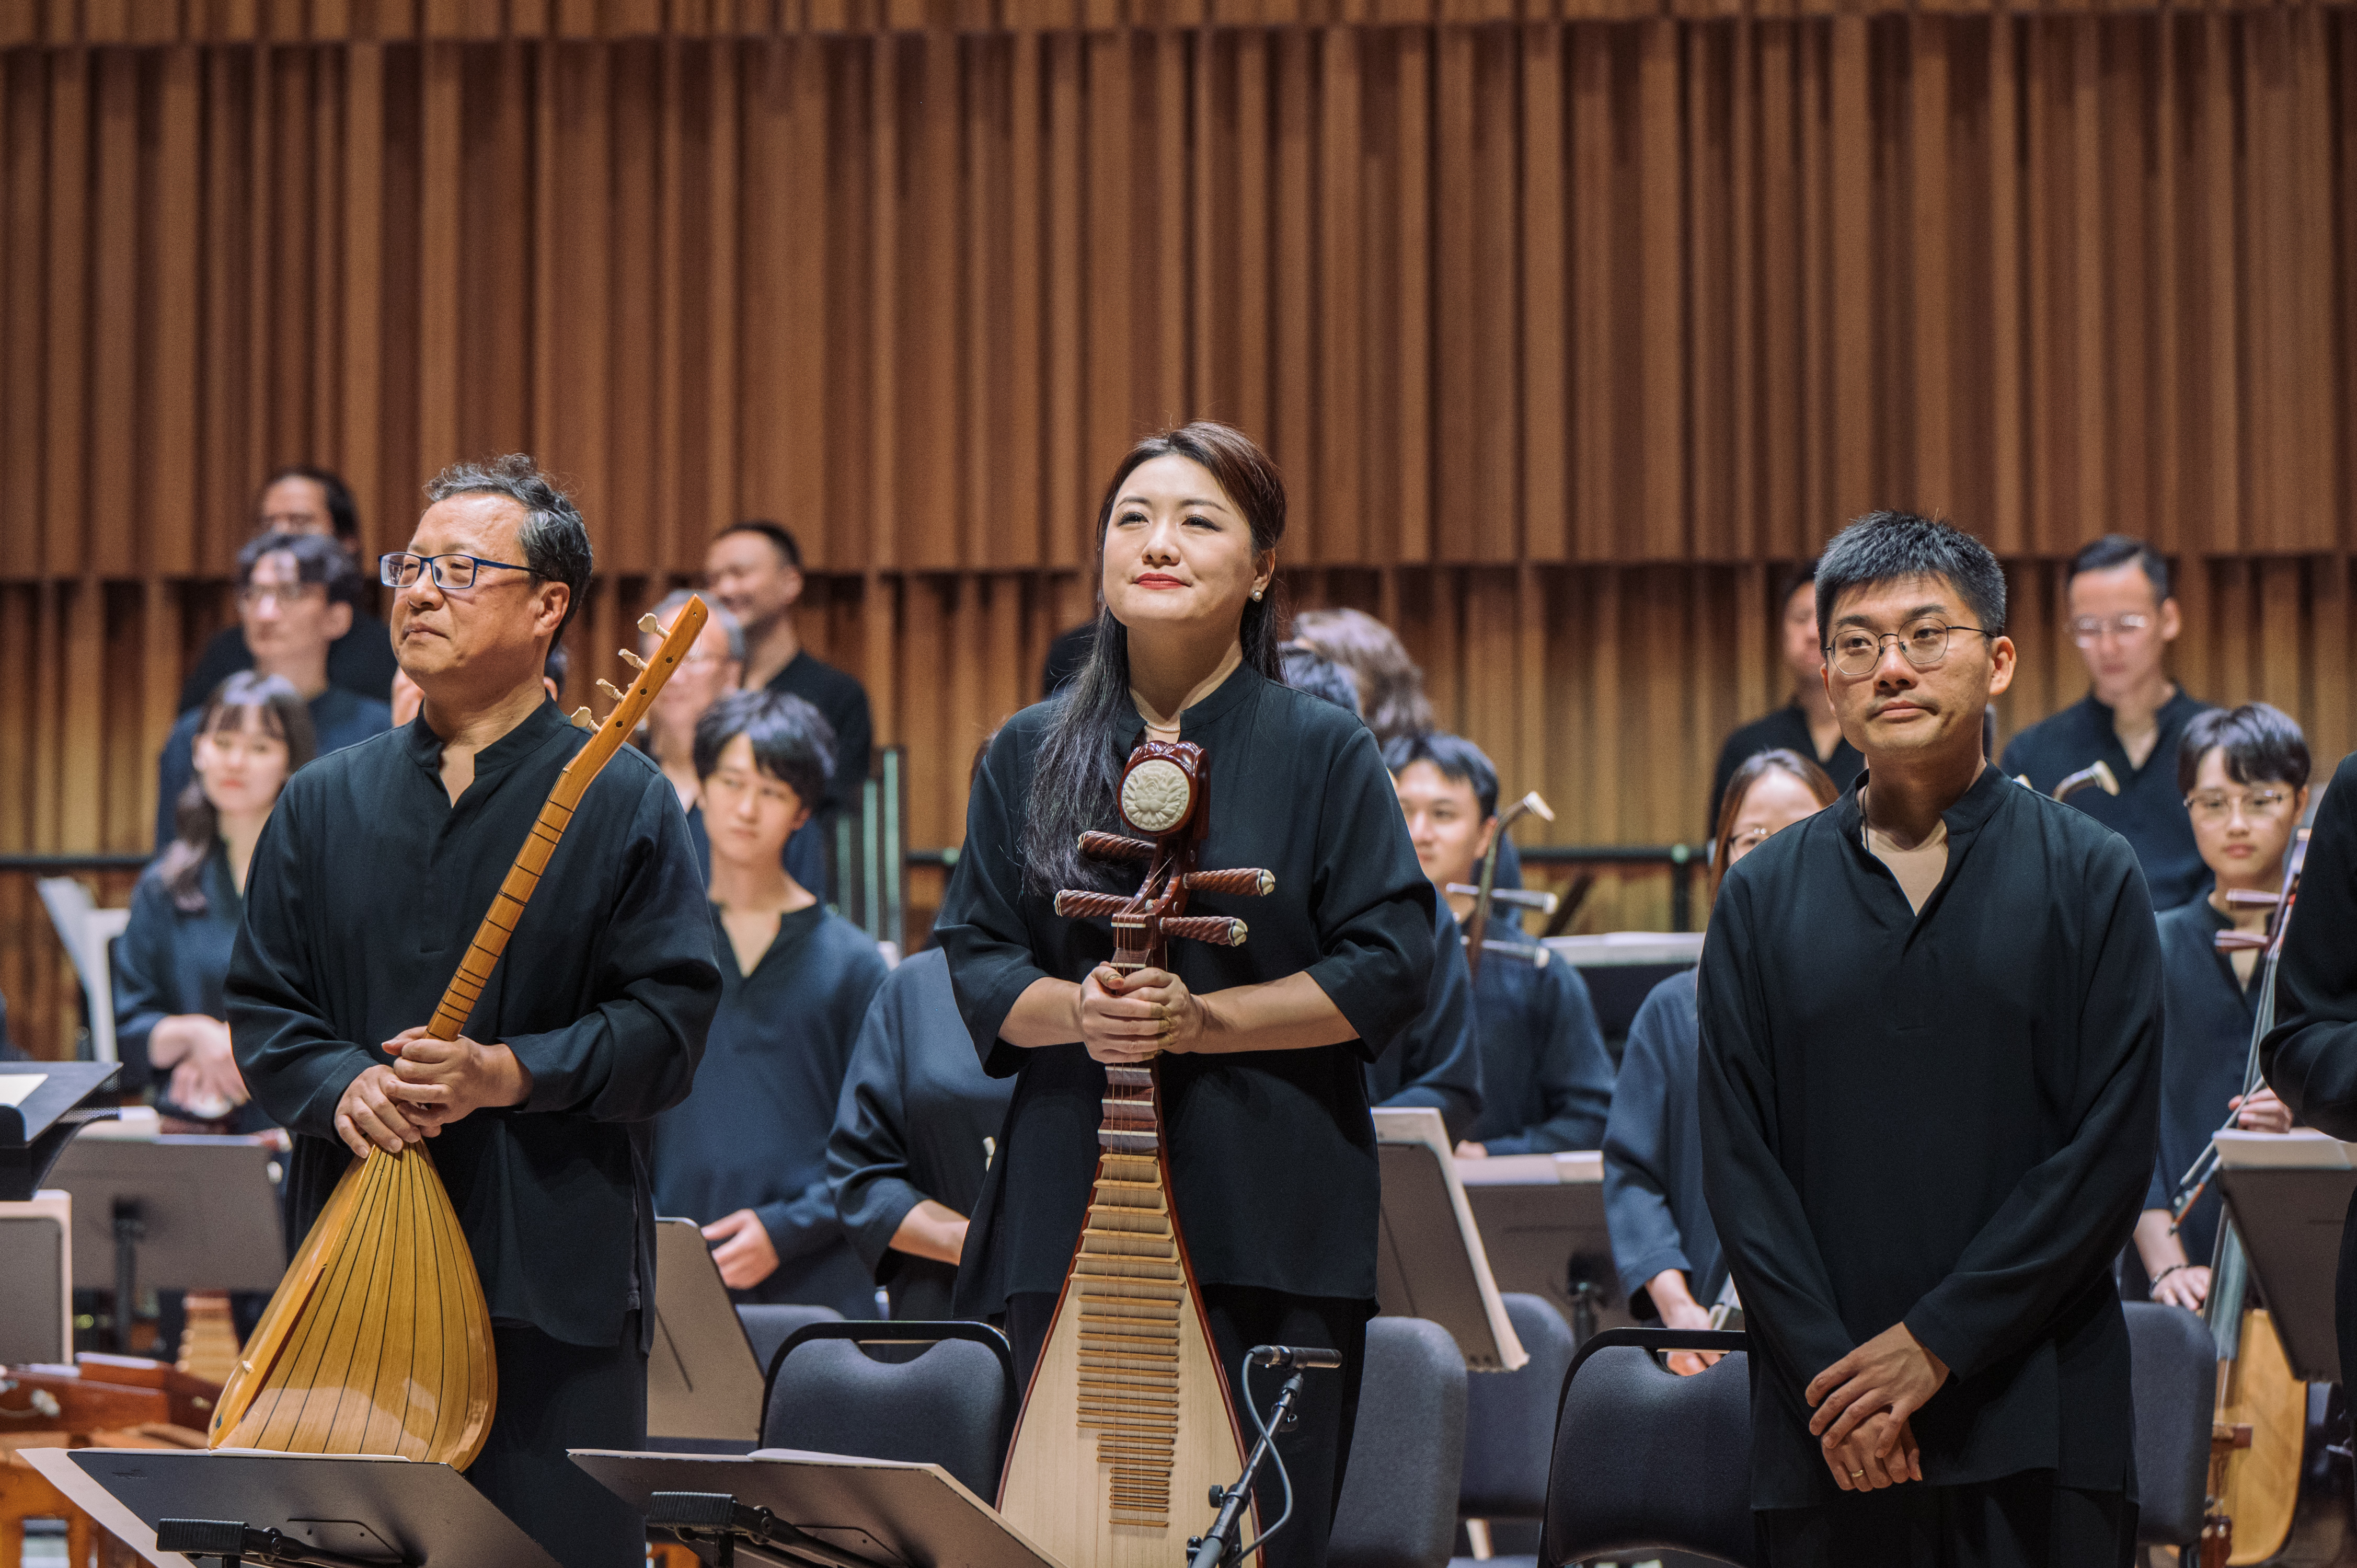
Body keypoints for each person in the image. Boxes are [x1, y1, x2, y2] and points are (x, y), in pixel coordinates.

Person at [938, 421, 1434, 1568]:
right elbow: (974, 959)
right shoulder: (1026, 751)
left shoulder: (1324, 750)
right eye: (1132, 520)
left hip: (1271, 1215)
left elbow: (1390, 964)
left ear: (1261, 569)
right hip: (1067, 1219)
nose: (1157, 544)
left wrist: (1206, 1024)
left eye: (1197, 521)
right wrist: (1083, 1010)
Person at [228, 454, 721, 1568]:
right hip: (354, 1295)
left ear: (549, 606)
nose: (418, 591)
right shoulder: (320, 802)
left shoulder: (619, 794)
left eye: (460, 568)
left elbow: (671, 1025)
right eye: (410, 565)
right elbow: (266, 1010)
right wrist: (340, 1082)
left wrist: (511, 1074)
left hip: (550, 1291)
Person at [1698, 510, 2160, 1565]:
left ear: (1996, 661)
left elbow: (2106, 1157)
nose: (1889, 667)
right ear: (1827, 678)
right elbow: (1737, 1164)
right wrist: (1843, 1385)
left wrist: (1933, 1347)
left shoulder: (2092, 875)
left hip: (2042, 1421)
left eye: (1924, 635)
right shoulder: (1761, 894)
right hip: (1832, 1432)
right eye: (1856, 644)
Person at [651, 689, 888, 1316]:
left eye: (774, 792)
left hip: (820, 1279)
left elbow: (881, 1145)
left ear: (803, 811)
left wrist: (787, 1230)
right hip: (672, 1267)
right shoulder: (656, 948)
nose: (747, 809)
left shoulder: (855, 963)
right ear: (701, 786)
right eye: (731, 782)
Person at [1605, 748, 1836, 1375]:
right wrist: (1679, 1311)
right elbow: (1633, 1176)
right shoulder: (1672, 1010)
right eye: (1751, 838)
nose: (1772, 853)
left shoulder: (1879, 1003)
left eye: (1797, 832)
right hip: (1705, 1340)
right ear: (1722, 856)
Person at [2130, 705, 2308, 1309]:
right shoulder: (2148, 943)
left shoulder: (2329, 955)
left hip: (2307, 1266)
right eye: (2211, 803)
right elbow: (2122, 1121)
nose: (2236, 823)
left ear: (2301, 802)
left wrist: (2305, 1126)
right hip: (2174, 1271)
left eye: (2260, 801)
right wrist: (2166, 1267)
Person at [1388, 731, 1611, 1156]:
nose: (1419, 833)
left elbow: (1593, 1117)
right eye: (1402, 811)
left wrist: (1496, 1155)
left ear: (1486, 835)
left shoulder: (1539, 973)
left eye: (1442, 814)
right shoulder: (1352, 957)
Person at [119, 674, 318, 1133]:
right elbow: (128, 1034)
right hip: (193, 1129)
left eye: (260, 748)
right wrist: (199, 1037)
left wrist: (244, 1053)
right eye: (222, 741)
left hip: (301, 1129)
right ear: (197, 751)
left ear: (291, 762)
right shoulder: (161, 886)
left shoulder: (323, 878)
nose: (235, 762)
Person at [2000, 534, 2215, 909]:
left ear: (2168, 619)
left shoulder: (2221, 744)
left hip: (2201, 954)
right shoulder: (2031, 752)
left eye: (2126, 625)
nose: (2107, 647)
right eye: (2087, 628)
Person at [155, 532, 392, 850]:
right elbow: (173, 864)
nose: (265, 612)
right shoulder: (196, 733)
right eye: (254, 593)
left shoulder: (379, 734)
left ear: (337, 618)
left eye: (291, 593)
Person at [829, 942, 1016, 1319]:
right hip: (943, 1314)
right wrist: (975, 1248)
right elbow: (862, 1179)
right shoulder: (915, 987)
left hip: (1098, 1307)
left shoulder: (1112, 986)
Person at [704, 521, 873, 895]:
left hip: (803, 884)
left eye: (739, 574)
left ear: (790, 583)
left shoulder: (837, 694)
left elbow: (834, 811)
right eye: (714, 579)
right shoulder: (702, 690)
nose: (724, 589)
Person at [178, 467, 401, 710]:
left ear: (347, 542)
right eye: (268, 524)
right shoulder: (228, 652)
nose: (280, 535)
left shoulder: (384, 655)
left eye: (300, 522)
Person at [1708, 560, 1863, 833]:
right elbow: (1721, 854)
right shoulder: (1747, 746)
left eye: (1825, 619)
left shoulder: (1878, 738)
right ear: (1783, 632)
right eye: (1801, 618)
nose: (1813, 633)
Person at [633, 587, 747, 816]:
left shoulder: (754, 790)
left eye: (692, 659)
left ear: (731, 675)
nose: (674, 677)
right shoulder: (625, 780)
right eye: (661, 661)